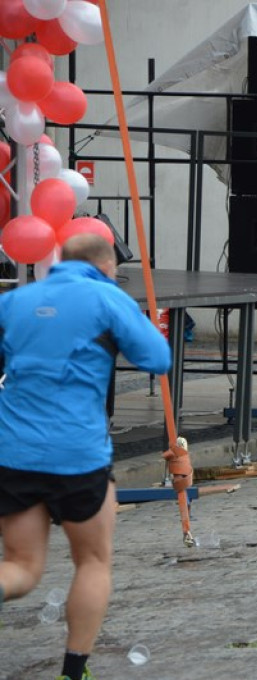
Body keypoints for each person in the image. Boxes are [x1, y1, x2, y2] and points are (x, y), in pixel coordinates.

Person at [0, 234, 172, 680]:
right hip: (78, 453)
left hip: (14, 450)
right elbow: (157, 358)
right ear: (108, 266)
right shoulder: (107, 298)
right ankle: (73, 673)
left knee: (20, 567)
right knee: (93, 562)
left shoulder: (16, 300)